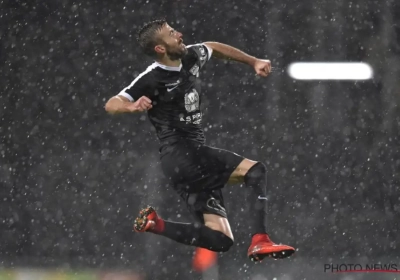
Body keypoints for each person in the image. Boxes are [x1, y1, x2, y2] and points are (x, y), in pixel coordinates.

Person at [105, 19, 295, 262]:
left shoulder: (190, 56)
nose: (180, 34)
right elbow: (112, 103)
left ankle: (157, 224)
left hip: (180, 165)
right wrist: (131, 106)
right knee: (256, 171)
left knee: (221, 239)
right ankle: (260, 240)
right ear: (160, 49)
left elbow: (213, 47)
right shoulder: (151, 78)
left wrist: (253, 61)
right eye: (172, 34)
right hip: (183, 154)